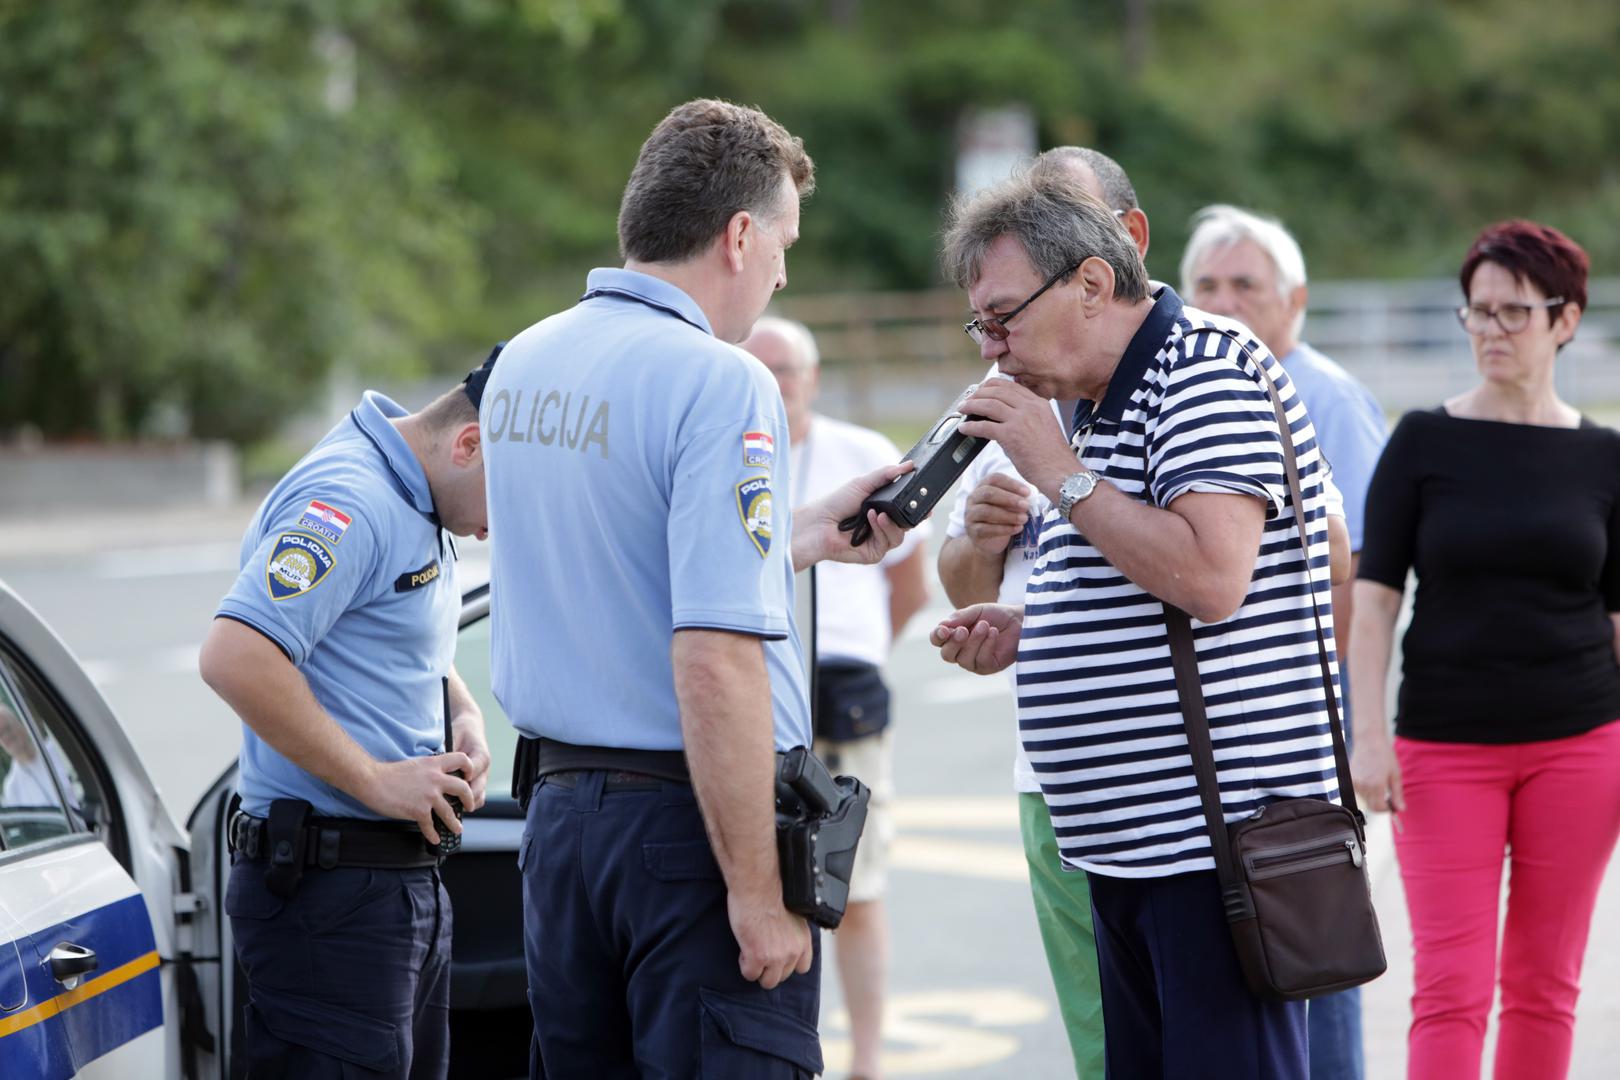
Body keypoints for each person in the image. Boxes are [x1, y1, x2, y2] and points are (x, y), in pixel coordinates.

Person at [481, 99, 907, 1079]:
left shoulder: (526, 365)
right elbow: (713, 655)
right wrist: (758, 894)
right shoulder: (722, 381)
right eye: (784, 244)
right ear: (740, 233)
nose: (782, 272)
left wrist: (804, 532)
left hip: (559, 822)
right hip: (688, 828)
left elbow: (622, 563)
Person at [930, 168, 1342, 1079]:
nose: (992, 349)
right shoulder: (1093, 393)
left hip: (1213, 848)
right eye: (980, 325)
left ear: (1089, 282)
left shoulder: (1203, 367)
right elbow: (1134, 581)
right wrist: (1036, 632)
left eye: (1004, 316)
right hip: (1128, 849)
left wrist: (1057, 469)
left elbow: (1210, 577)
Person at [1349, 220, 1620, 1080]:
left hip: (1581, 745)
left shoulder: (1606, 458)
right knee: (1451, 986)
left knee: (1546, 984)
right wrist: (1365, 734)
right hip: (1444, 746)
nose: (1491, 331)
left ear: (1565, 320)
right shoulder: (1424, 440)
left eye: (1513, 313)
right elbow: (1374, 599)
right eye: (1477, 312)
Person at [198, 352, 501, 1079]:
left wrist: (459, 707)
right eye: (510, 502)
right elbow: (235, 655)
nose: (496, 531)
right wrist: (375, 780)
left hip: (384, 887)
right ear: (469, 444)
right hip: (329, 896)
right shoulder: (354, 498)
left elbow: (376, 621)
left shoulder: (416, 490)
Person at [936, 144, 1147, 1079]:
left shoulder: (1200, 369)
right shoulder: (1002, 380)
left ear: (1118, 248)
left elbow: (1259, 572)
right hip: (1049, 766)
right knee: (1101, 1035)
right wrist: (980, 542)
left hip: (1179, 775)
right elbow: (957, 580)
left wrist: (1063, 479)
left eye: (1062, 225)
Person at [1181, 203, 1386, 1080]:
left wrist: (1326, 701)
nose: (1223, 303)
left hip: (1300, 711)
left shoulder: (1323, 395)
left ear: (1295, 300)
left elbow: (1366, 570)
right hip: (1219, 722)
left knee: (1311, 926)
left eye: (1245, 286)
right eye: (1206, 285)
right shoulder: (1197, 387)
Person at [743, 315, 930, 1080]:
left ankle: (869, 1058)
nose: (772, 386)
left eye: (784, 371)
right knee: (755, 875)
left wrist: (865, 651)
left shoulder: (861, 453)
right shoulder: (726, 449)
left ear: (812, 379)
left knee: (858, 882)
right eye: (755, 371)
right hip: (751, 684)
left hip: (845, 688)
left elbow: (909, 583)